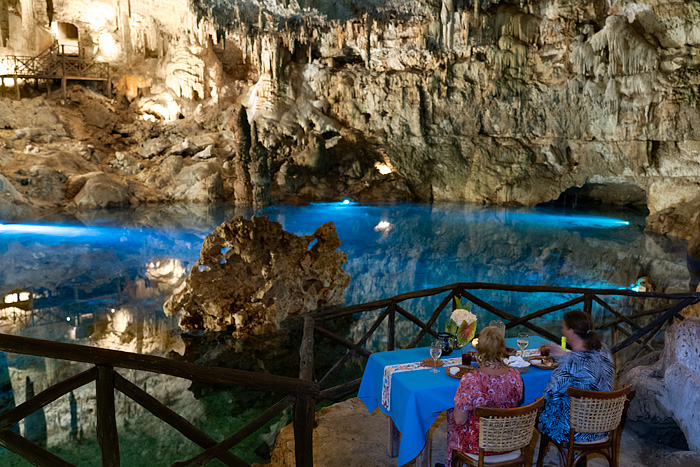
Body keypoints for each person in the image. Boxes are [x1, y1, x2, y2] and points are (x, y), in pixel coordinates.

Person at [443, 326, 524, 467]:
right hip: (509, 441)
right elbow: (516, 403)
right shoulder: (515, 375)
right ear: (502, 348)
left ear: (478, 350)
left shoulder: (470, 380)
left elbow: (460, 420)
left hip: (478, 446)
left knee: (452, 415)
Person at [538, 309, 615, 445]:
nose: (562, 331)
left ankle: (567, 456)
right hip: (602, 426)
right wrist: (566, 354)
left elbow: (550, 394)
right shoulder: (604, 351)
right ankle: (575, 459)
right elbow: (585, 360)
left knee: (537, 411)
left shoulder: (570, 362)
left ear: (571, 331)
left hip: (575, 431)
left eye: (563, 327)